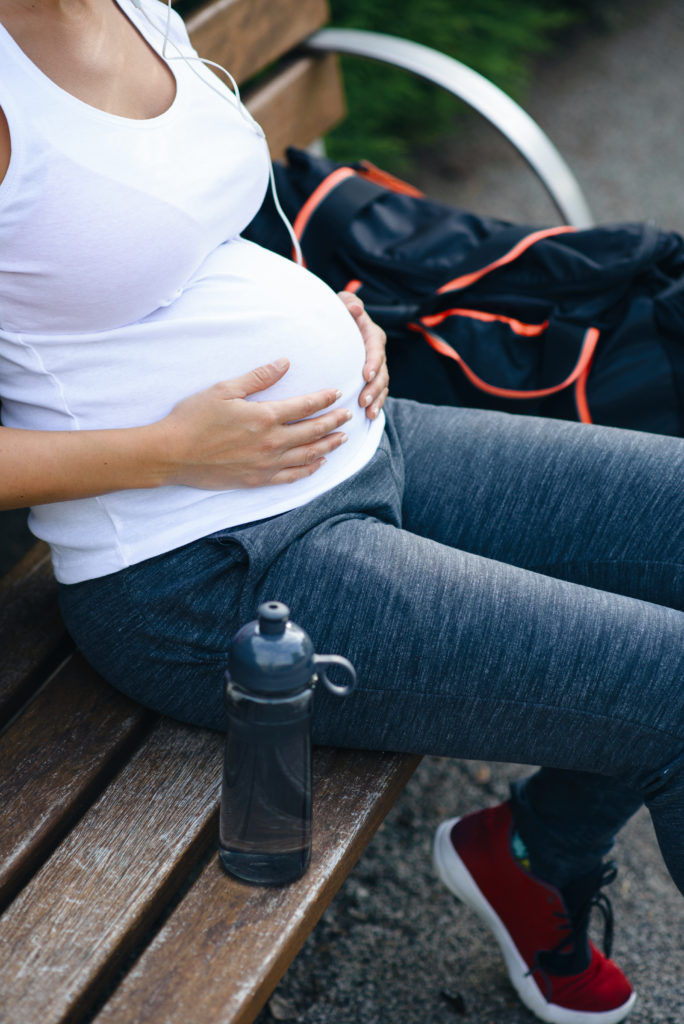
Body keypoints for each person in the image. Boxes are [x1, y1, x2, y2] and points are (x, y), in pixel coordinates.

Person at [0, 1, 682, 1021]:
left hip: (364, 440)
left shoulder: (132, 5)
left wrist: (329, 305)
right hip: (208, 568)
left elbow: (203, 215)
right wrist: (172, 450)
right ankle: (538, 864)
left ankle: (537, 857)